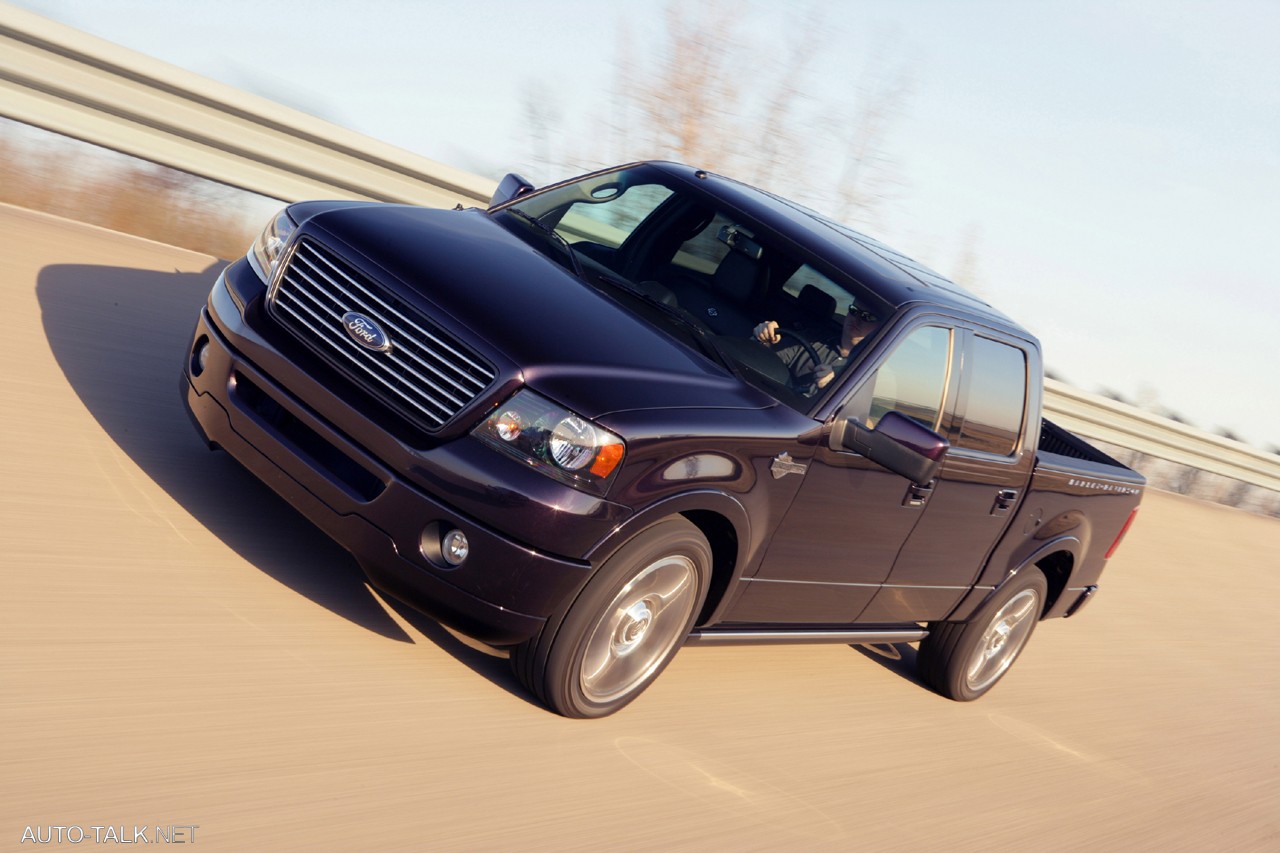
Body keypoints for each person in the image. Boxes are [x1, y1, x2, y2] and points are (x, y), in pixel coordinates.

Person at [752, 308, 879, 393]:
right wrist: (764, 339)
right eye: (854, 310)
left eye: (867, 317)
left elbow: (863, 421)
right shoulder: (811, 339)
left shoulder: (867, 370)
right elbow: (759, 361)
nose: (856, 319)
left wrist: (836, 390)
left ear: (880, 326)